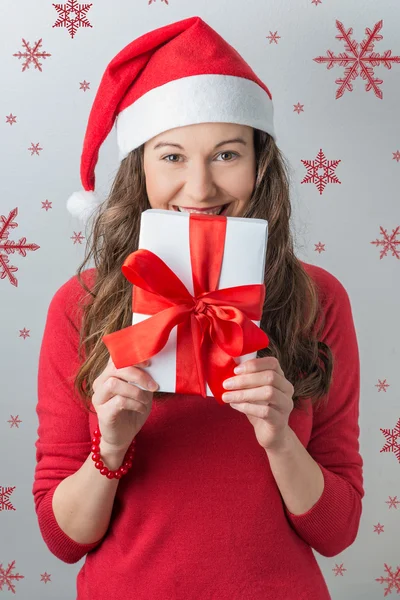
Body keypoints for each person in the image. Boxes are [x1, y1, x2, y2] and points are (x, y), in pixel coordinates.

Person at [32, 15, 364, 600]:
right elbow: (63, 541)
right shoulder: (79, 306)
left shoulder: (318, 299)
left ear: (262, 163)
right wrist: (109, 447)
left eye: (226, 154)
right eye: (172, 157)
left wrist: (279, 436)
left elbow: (337, 533)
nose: (201, 189)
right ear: (140, 168)